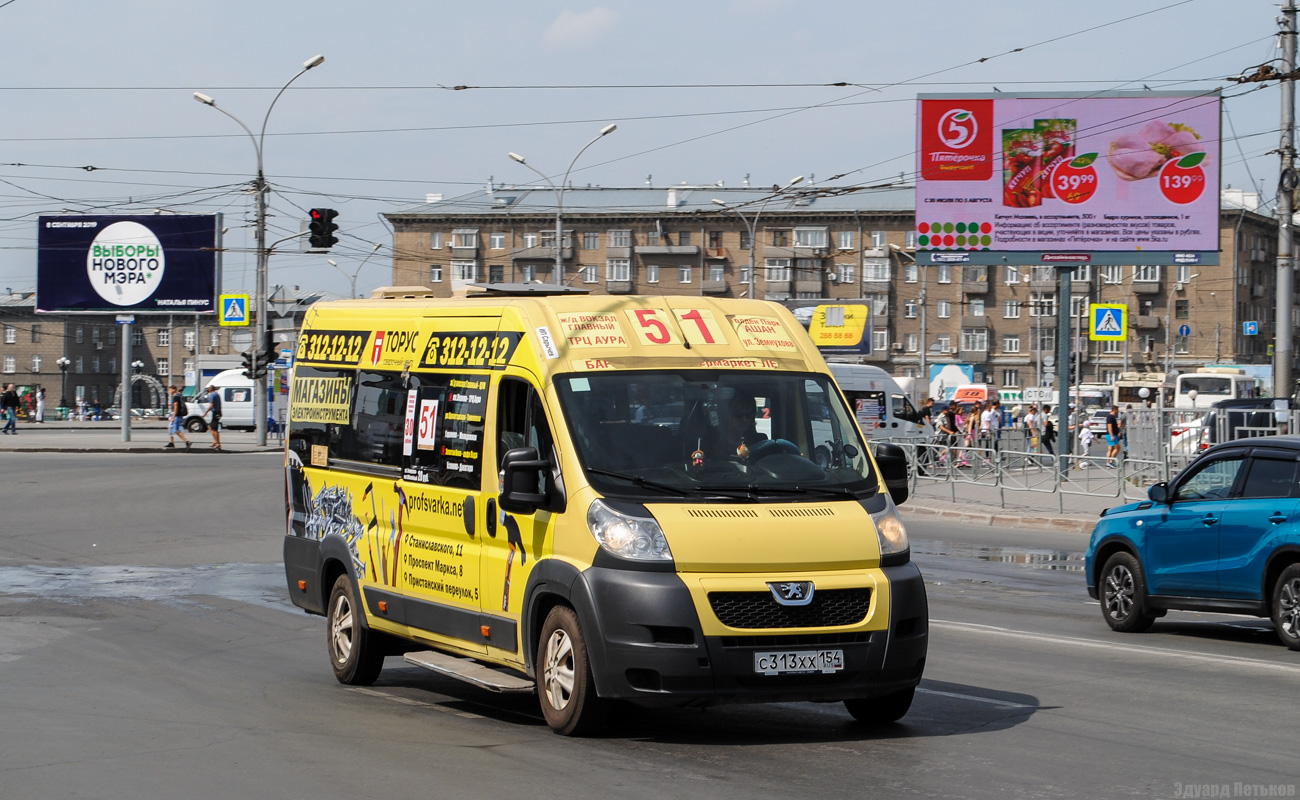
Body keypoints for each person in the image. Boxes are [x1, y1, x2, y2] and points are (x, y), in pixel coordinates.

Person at [165, 385, 192, 450]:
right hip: (178, 415)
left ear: (174, 389)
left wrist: (173, 416)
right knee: (170, 428)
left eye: (170, 390)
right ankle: (171, 442)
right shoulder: (179, 396)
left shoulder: (176, 397)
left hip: (176, 415)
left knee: (176, 430)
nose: (169, 391)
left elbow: (176, 407)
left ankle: (187, 441)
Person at [203, 385, 223, 450]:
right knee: (211, 427)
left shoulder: (212, 395)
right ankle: (215, 441)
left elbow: (211, 405)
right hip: (218, 412)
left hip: (215, 413)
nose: (208, 390)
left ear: (210, 389)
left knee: (214, 429)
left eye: (208, 388)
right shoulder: (217, 394)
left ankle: (218, 443)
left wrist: (206, 412)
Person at [1105, 404, 1122, 468]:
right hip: (1111, 435)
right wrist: (1112, 435)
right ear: (1114, 409)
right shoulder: (1110, 417)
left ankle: (1107, 462)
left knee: (1110, 449)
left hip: (1111, 434)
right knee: (1117, 448)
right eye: (1117, 410)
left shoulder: (1112, 417)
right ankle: (1111, 461)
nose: (1118, 412)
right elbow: (1109, 426)